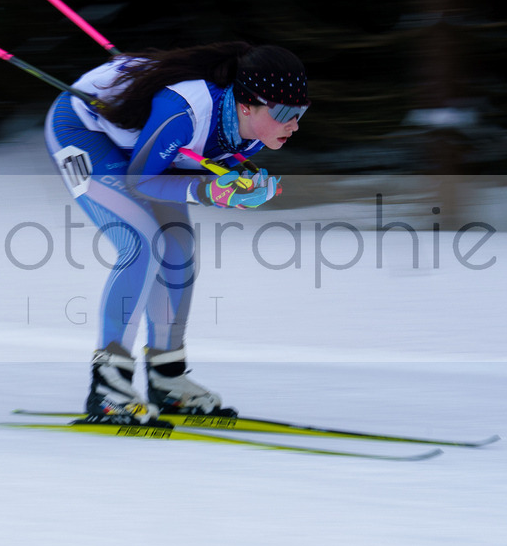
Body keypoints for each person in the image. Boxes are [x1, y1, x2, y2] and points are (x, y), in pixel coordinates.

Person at [43, 41, 309, 423]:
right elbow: (142, 181)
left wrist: (237, 187)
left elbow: (196, 165)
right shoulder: (184, 110)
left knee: (178, 246)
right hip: (81, 130)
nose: (294, 124)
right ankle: (108, 384)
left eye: (301, 111)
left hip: (139, 150)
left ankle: (167, 376)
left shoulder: (252, 128)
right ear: (247, 104)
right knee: (141, 243)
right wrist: (210, 191)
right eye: (284, 112)